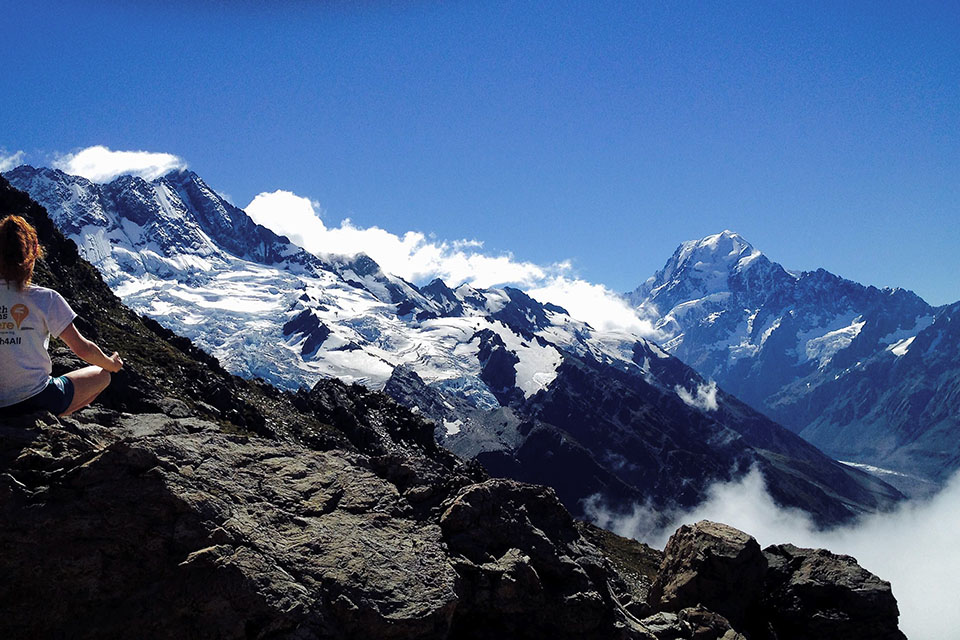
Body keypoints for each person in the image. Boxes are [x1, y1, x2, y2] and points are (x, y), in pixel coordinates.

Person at [0, 215, 123, 417]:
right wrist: (112, 364)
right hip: (37, 397)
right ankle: (46, 418)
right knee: (103, 376)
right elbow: (82, 348)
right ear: (33, 251)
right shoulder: (45, 298)